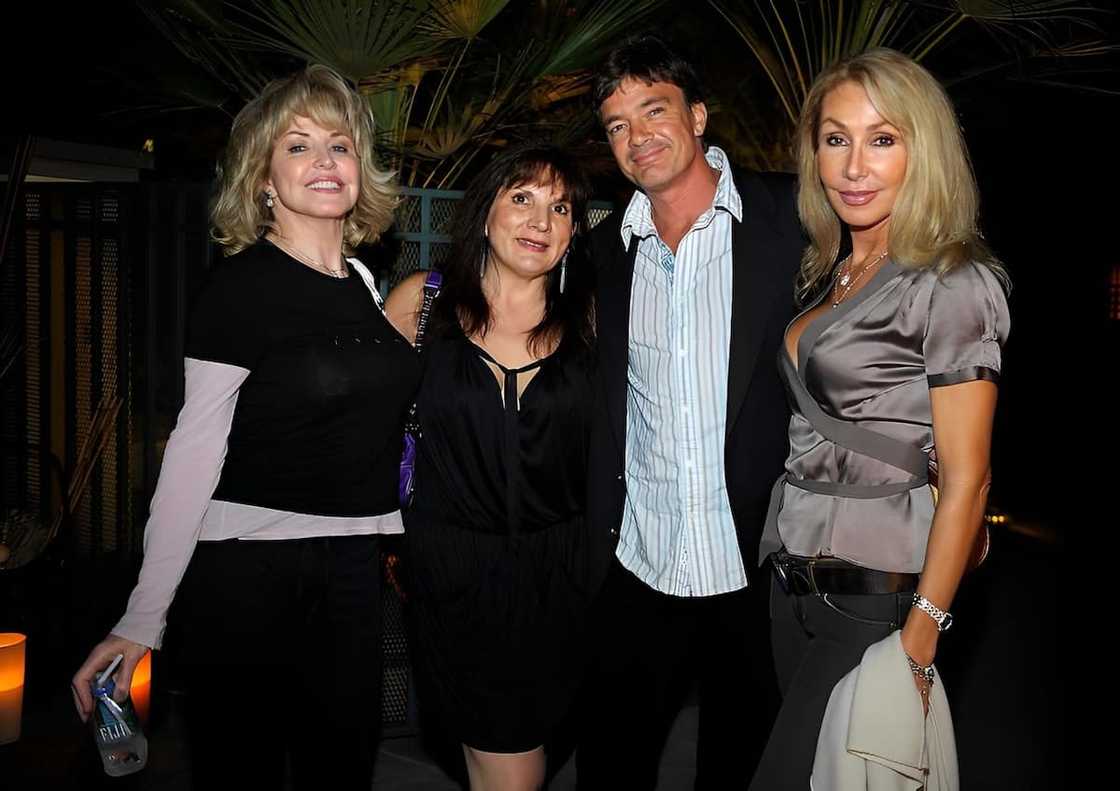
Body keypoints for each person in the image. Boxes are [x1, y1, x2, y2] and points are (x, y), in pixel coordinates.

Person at [71, 65, 414, 790]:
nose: (325, 160)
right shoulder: (239, 287)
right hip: (251, 576)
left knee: (344, 773)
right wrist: (142, 617)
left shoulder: (362, 284)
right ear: (264, 177)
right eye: (298, 146)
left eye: (340, 144)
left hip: (353, 575)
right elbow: (192, 457)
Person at [750, 47, 1010, 789]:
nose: (854, 165)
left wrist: (920, 638)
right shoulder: (829, 271)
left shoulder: (953, 281)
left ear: (922, 150)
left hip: (876, 601)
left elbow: (970, 478)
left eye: (882, 139)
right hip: (792, 588)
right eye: (836, 139)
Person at [576, 34, 804, 789]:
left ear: (699, 115)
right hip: (640, 560)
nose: (636, 135)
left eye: (654, 109)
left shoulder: (792, 220)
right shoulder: (607, 252)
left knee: (741, 767)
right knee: (611, 763)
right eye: (616, 124)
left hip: (752, 564)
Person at [384, 143, 597, 791]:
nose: (540, 220)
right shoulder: (422, 304)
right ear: (485, 214)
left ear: (573, 233)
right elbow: (366, 426)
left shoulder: (592, 322)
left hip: (559, 577)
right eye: (522, 198)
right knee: (488, 753)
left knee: (514, 756)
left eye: (559, 207)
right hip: (448, 572)